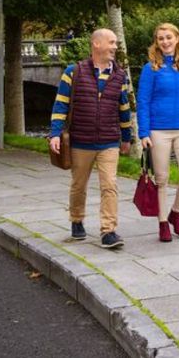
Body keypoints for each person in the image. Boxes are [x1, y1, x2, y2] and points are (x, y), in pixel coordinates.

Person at [48, 28, 133, 249]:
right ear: (97, 44)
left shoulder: (120, 75)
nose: (115, 47)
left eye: (115, 43)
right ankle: (77, 221)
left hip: (108, 141)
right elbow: (61, 104)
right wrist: (55, 133)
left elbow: (124, 109)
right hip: (80, 141)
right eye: (112, 42)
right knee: (78, 186)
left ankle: (108, 231)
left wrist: (127, 137)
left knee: (110, 185)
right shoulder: (73, 71)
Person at [137, 23, 179, 243]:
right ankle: (163, 222)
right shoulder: (151, 68)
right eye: (160, 38)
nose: (164, 42)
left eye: (168, 37)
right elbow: (143, 101)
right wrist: (144, 132)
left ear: (177, 39)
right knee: (162, 179)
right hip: (158, 130)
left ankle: (176, 212)